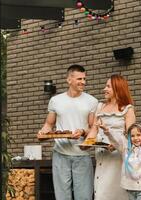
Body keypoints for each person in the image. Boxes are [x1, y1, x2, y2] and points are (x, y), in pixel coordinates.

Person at [38, 64, 98, 200]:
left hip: (82, 155)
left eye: (84, 79)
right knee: (61, 197)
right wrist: (43, 132)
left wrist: (83, 131)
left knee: (83, 197)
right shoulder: (55, 100)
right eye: (79, 79)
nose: (83, 82)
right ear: (69, 80)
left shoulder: (92, 101)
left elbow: (92, 128)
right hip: (60, 155)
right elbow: (49, 124)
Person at [82, 74, 136, 200]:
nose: (104, 89)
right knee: (100, 193)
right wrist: (86, 144)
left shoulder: (128, 110)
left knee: (116, 193)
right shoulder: (100, 107)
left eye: (108, 86)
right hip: (102, 156)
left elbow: (131, 138)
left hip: (118, 158)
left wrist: (116, 145)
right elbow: (94, 130)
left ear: (117, 88)